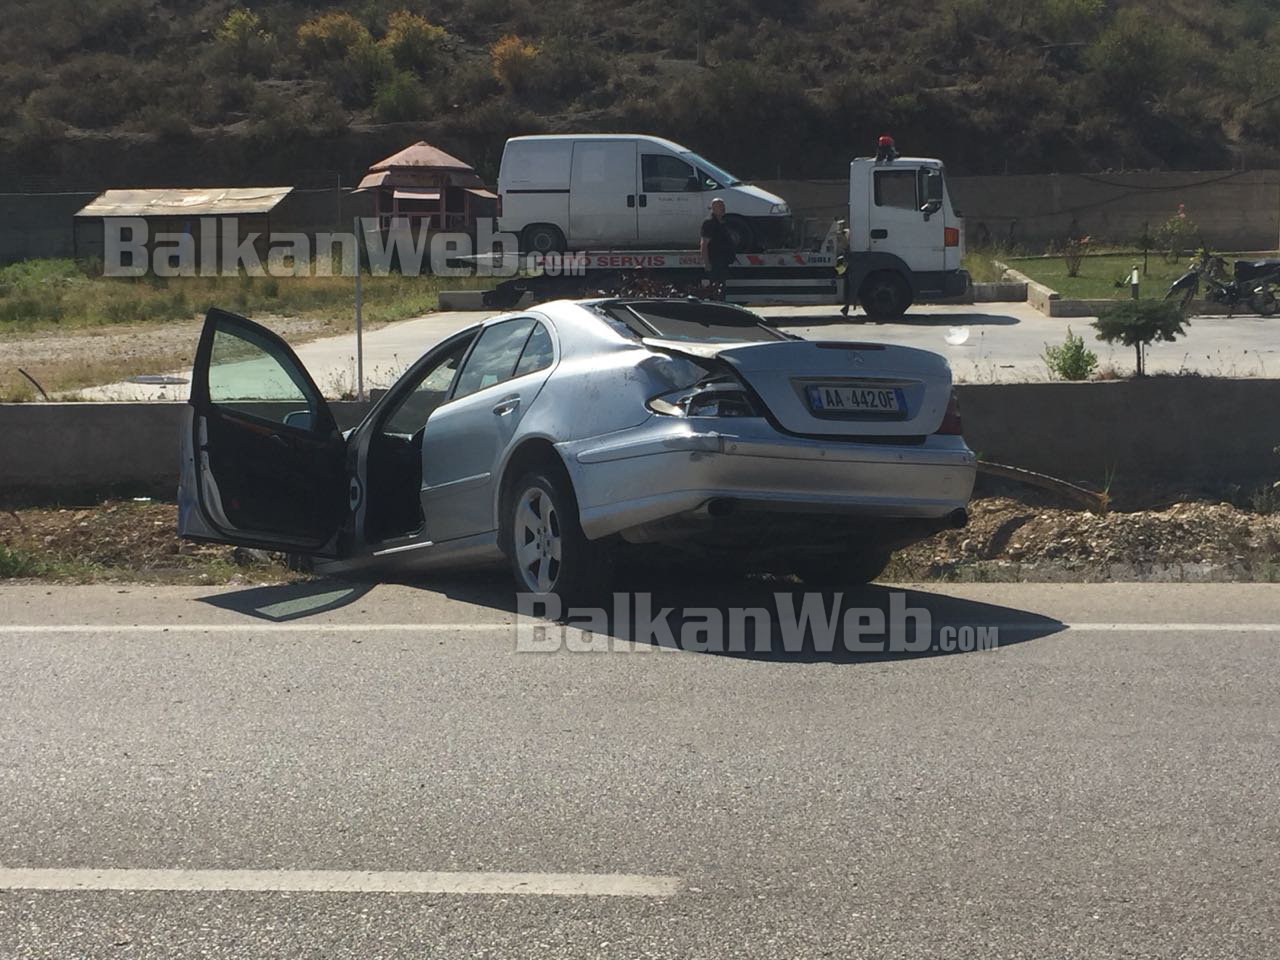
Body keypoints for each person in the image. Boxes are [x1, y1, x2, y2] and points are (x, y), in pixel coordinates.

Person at [700, 198, 736, 300]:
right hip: (715, 262)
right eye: (720, 206)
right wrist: (706, 263)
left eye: (723, 206)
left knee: (722, 286)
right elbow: (704, 244)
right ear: (713, 208)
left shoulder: (721, 222)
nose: (723, 208)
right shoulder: (710, 222)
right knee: (716, 288)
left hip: (722, 261)